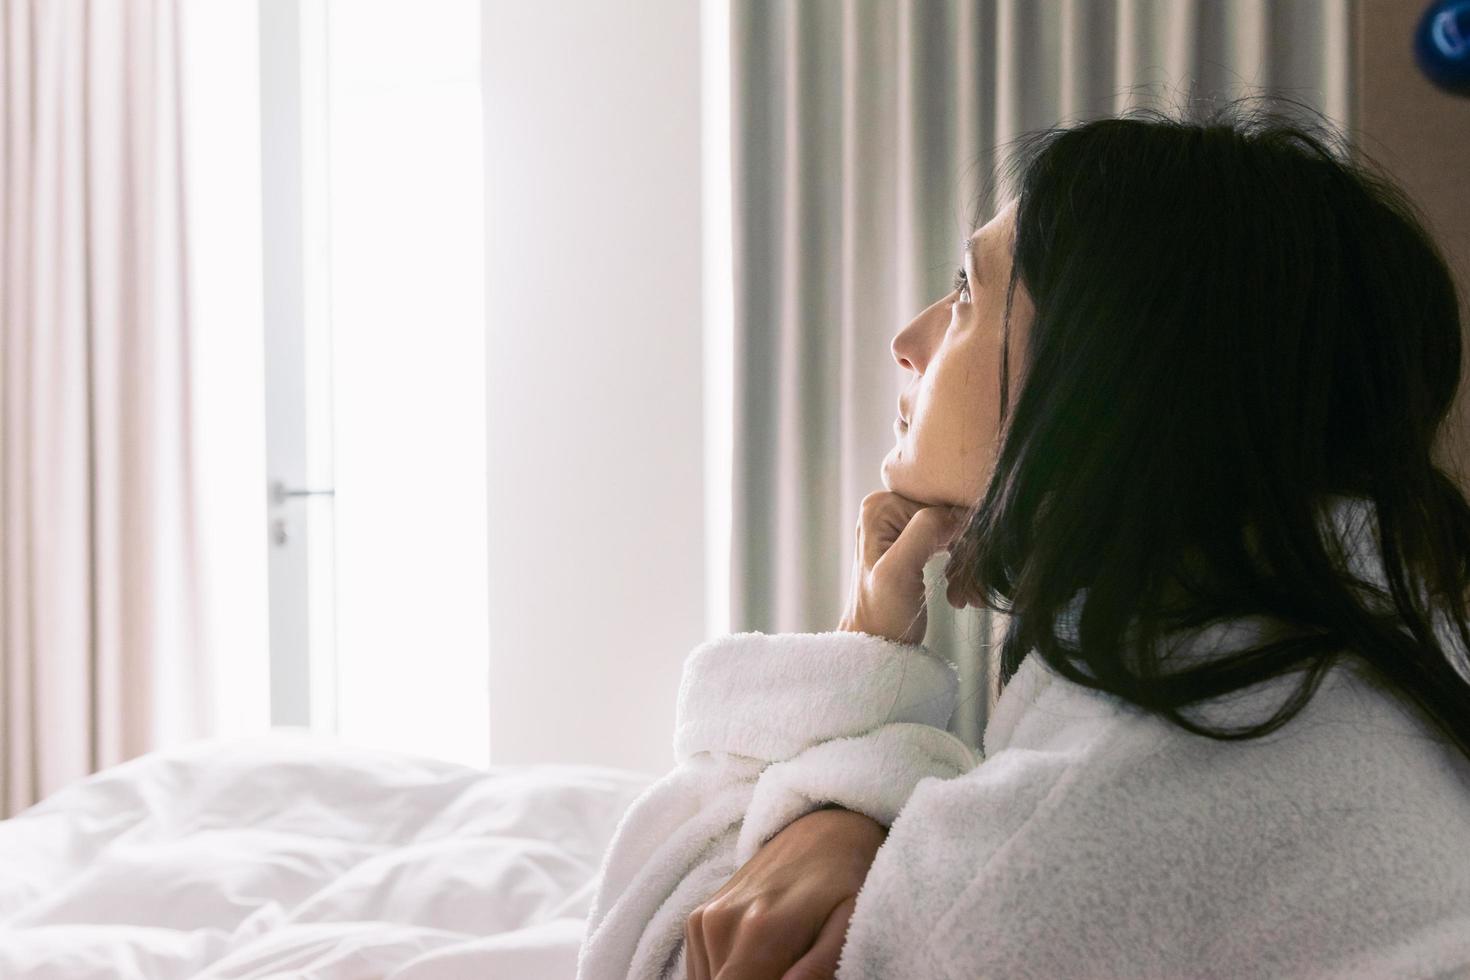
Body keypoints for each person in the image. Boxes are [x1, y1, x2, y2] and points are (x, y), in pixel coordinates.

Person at [574, 98, 1470, 980]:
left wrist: (846, 739)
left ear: (1112, 365)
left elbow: (668, 954)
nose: (907, 339)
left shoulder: (1092, 816)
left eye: (967, 292)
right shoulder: (1385, 658)